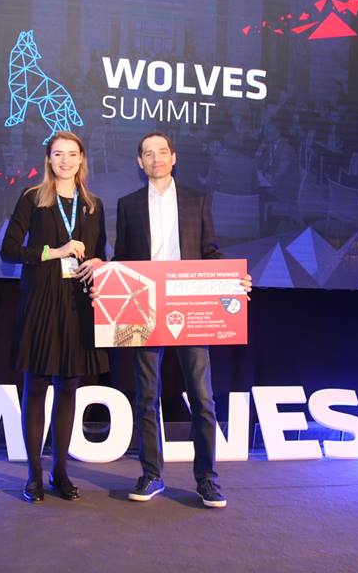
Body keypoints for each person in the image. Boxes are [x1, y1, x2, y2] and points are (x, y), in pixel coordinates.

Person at [98, 131, 251, 509]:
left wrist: (234, 281)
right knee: (146, 396)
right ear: (140, 162)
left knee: (202, 397)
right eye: (148, 154)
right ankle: (152, 474)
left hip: (191, 305)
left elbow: (210, 252)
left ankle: (207, 479)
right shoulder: (129, 204)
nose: (156, 159)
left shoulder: (198, 200)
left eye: (162, 152)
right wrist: (104, 276)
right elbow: (122, 259)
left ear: (174, 157)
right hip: (144, 306)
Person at [0, 131, 107, 503]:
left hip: (78, 304)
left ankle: (60, 472)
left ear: (82, 159)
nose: (65, 161)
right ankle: (34, 475)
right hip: (42, 301)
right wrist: (55, 251)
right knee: (36, 387)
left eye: (72, 154)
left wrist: (98, 262)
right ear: (48, 159)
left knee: (68, 388)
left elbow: (101, 252)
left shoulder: (93, 204)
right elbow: (9, 251)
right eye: (58, 154)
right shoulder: (33, 198)